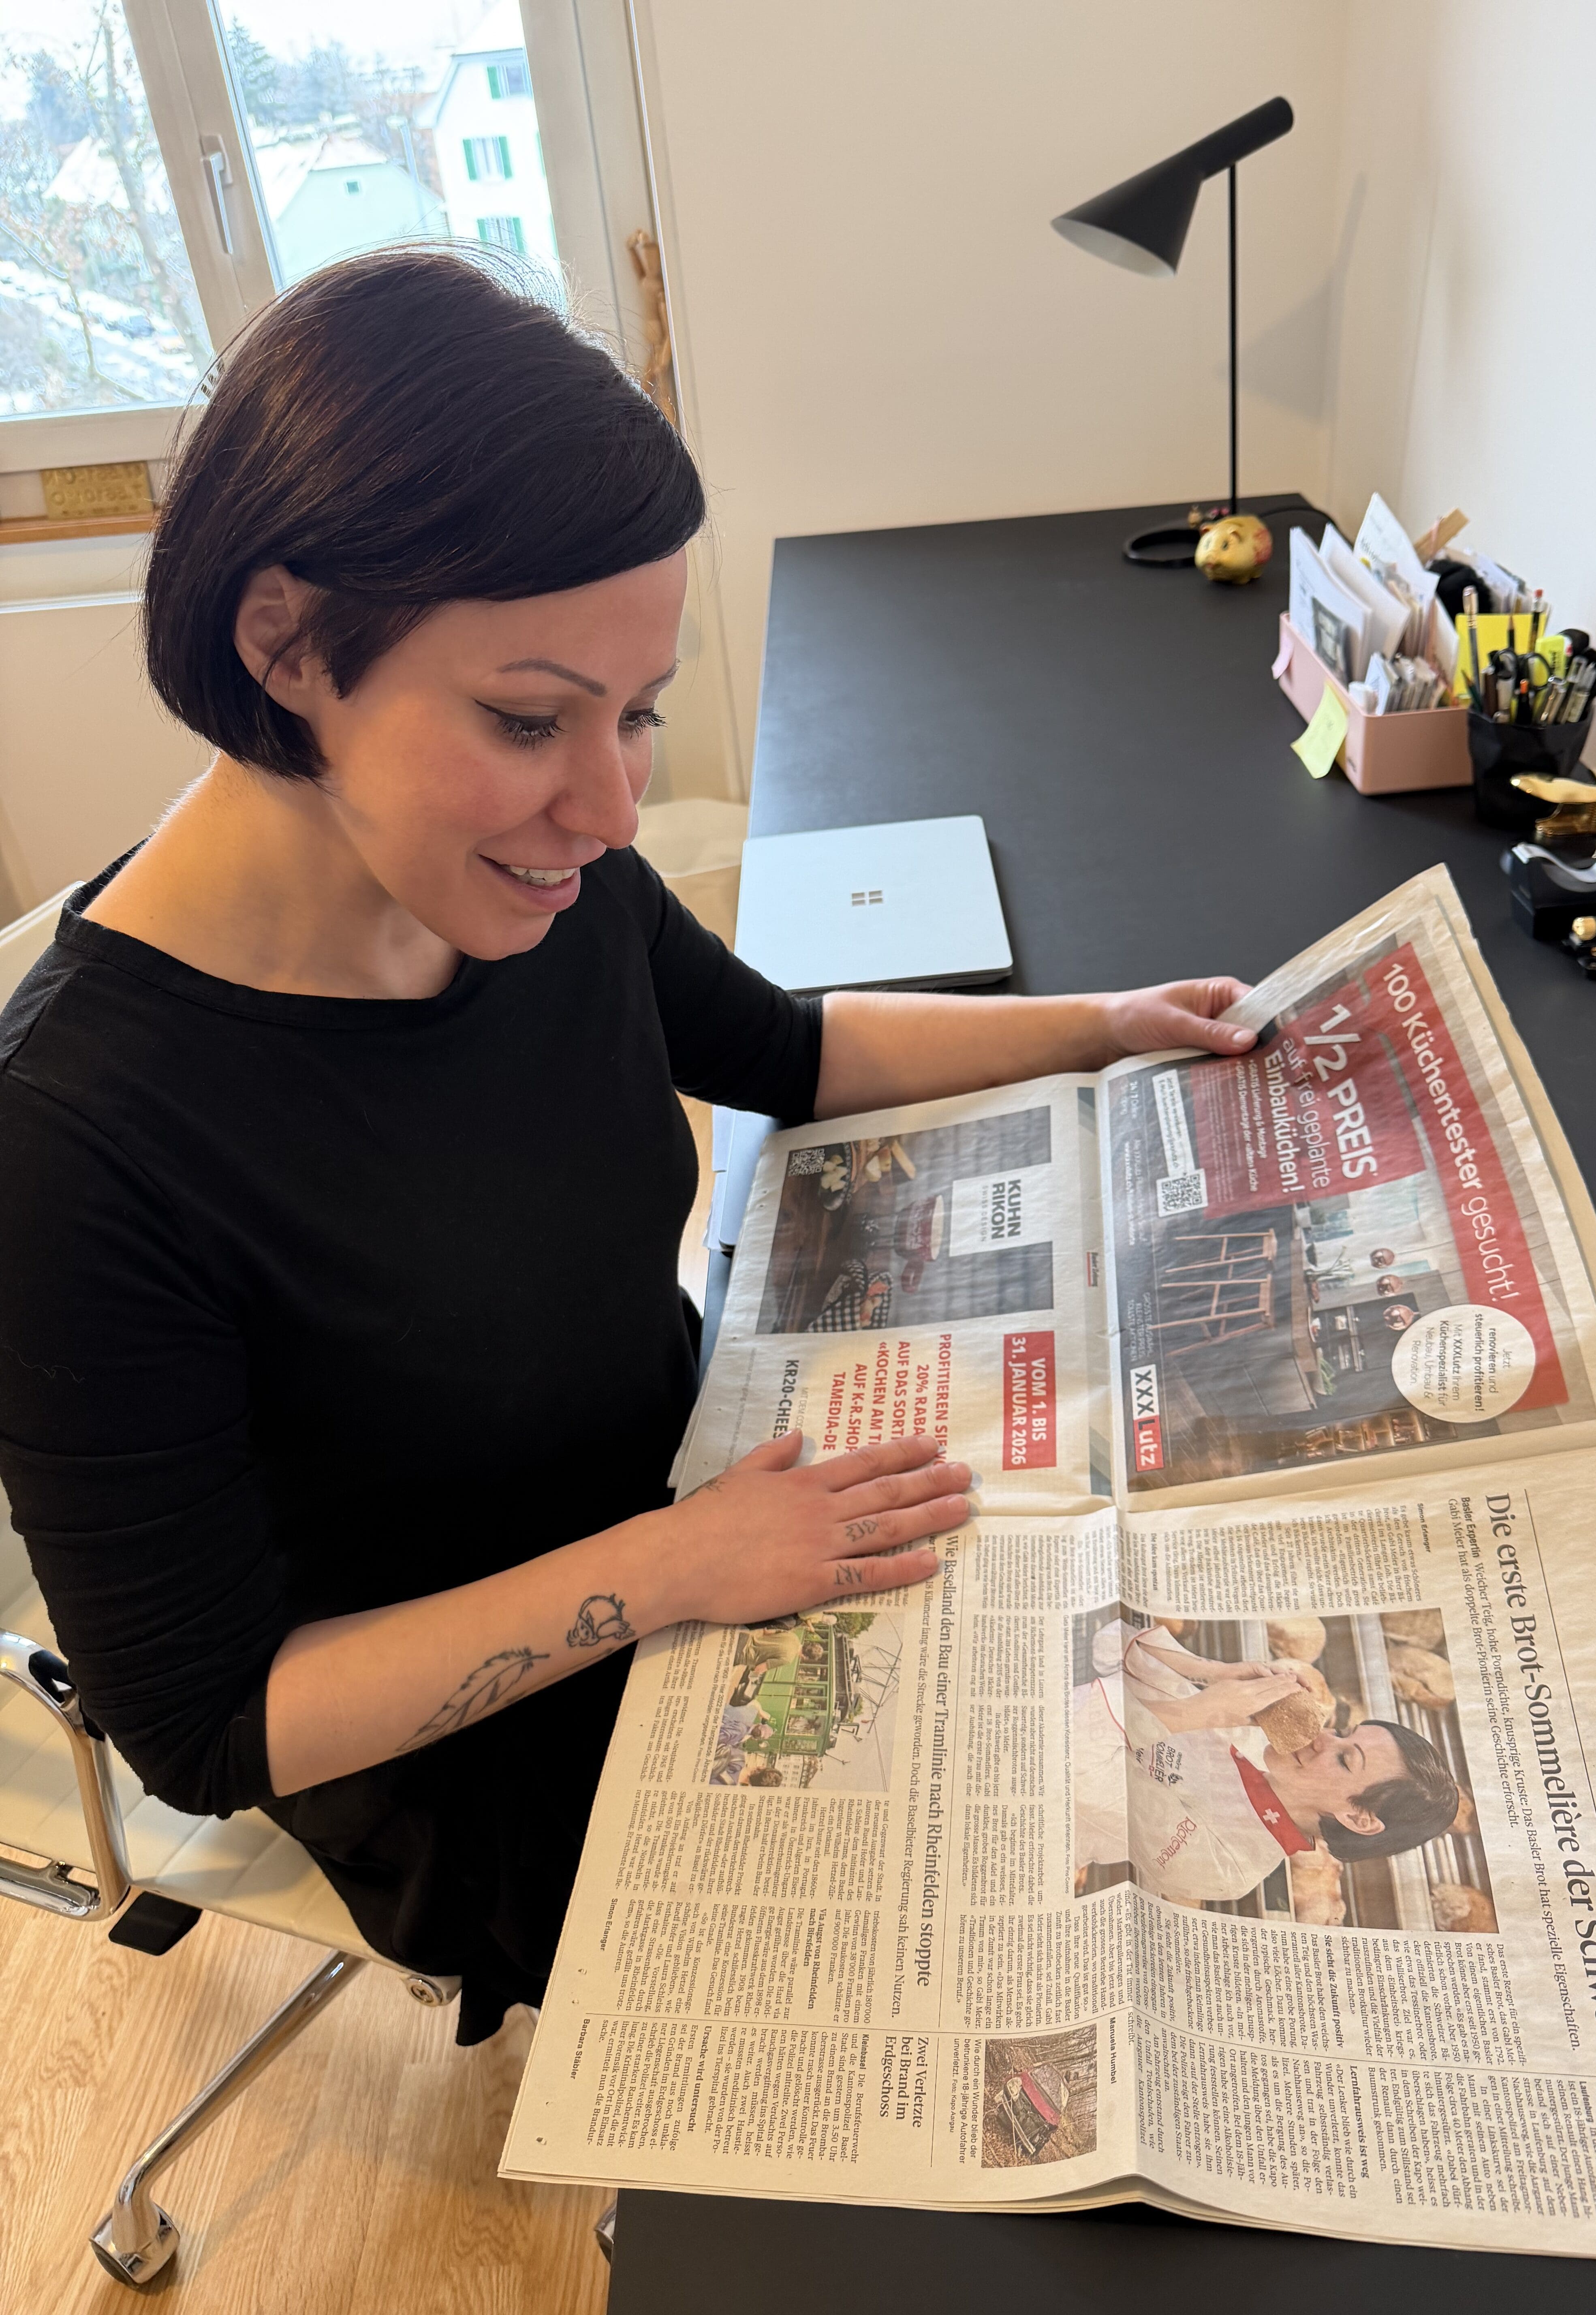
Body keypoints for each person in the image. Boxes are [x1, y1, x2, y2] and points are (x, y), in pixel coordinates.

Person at [0, 249, 1260, 2040]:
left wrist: (1108, 1026)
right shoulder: (72, 1146)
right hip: (471, 1731)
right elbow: (204, 1728)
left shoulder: (531, 878)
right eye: (528, 720)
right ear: (285, 643)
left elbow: (785, 1050)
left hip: (709, 1497)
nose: (608, 804)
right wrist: (675, 1567)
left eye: (639, 709)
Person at [1072, 1621, 1458, 1904]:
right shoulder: (1257, 1742)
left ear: (1358, 1818)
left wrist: (1198, 1712)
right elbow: (1112, 1644)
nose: (1323, 1737)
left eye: (1344, 1759)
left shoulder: (1229, 1866)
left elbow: (1064, 1754)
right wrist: (1215, 1672)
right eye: (1343, 1733)